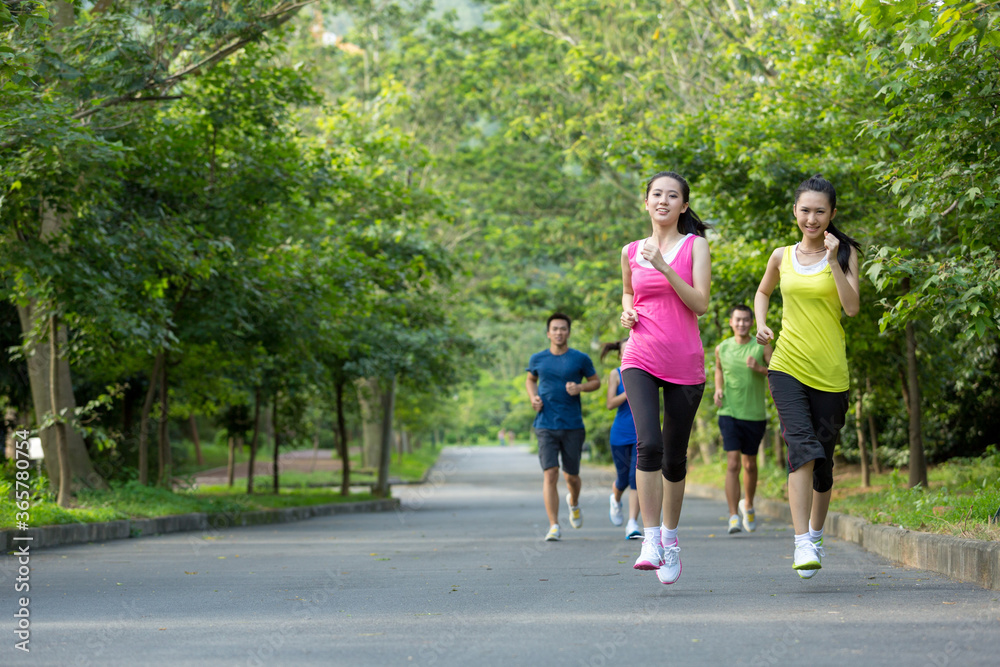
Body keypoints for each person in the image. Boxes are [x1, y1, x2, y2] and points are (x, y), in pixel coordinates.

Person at [754, 174, 860, 579]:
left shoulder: (846, 253)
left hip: (831, 373)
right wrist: (763, 324)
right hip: (787, 366)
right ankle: (801, 542)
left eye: (820, 211)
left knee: (824, 463)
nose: (811, 218)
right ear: (795, 212)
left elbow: (851, 309)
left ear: (832, 214)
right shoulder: (781, 256)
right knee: (801, 449)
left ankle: (816, 533)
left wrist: (833, 261)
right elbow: (763, 292)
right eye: (805, 210)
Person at [619, 171, 711, 585]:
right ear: (646, 202)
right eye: (656, 194)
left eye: (672, 196)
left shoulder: (696, 247)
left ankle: (670, 539)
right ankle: (650, 539)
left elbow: (701, 303)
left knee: (674, 456)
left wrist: (665, 268)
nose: (663, 201)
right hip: (640, 353)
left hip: (684, 361)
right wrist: (626, 311)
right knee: (649, 444)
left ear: (683, 206)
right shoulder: (630, 250)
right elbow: (627, 292)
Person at [525, 312, 601, 541]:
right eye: (555, 329)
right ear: (548, 333)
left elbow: (596, 382)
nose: (559, 332)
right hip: (545, 424)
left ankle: (574, 502)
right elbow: (530, 379)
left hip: (572, 425)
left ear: (568, 332)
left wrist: (580, 388)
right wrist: (533, 398)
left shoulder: (580, 359)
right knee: (550, 473)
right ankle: (554, 525)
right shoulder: (538, 359)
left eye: (563, 328)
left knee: (572, 477)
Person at [714, 304, 772, 535]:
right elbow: (718, 369)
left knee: (749, 464)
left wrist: (759, 368)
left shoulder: (762, 345)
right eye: (738, 320)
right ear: (731, 322)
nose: (742, 324)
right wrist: (718, 388)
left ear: (752, 322)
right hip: (728, 412)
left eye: (746, 320)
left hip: (755, 414)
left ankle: (748, 504)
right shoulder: (722, 348)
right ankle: (733, 516)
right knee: (733, 463)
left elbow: (779, 371)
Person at [600, 339, 642, 540]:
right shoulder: (615, 374)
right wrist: (629, 392)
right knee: (623, 478)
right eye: (625, 350)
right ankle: (615, 500)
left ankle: (632, 523)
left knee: (637, 478)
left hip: (641, 433)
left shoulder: (646, 372)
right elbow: (610, 403)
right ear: (619, 355)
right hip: (620, 433)